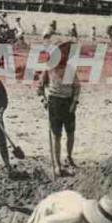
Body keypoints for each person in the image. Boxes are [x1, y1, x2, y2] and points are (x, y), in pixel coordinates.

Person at [39, 41, 81, 176]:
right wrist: (44, 100)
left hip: (68, 103)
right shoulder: (49, 68)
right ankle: (57, 164)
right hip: (54, 102)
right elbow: (40, 87)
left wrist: (74, 103)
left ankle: (68, 157)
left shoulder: (70, 69)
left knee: (70, 132)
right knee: (56, 135)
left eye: (63, 53)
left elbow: (77, 87)